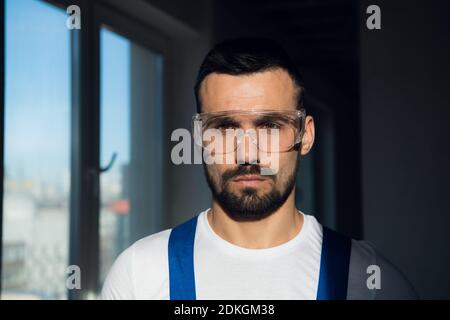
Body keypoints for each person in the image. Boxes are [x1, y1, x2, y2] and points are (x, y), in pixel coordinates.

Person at [101, 37, 417, 300]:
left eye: (269, 125)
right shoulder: (139, 275)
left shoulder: (372, 282)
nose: (248, 152)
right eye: (224, 127)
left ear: (305, 136)